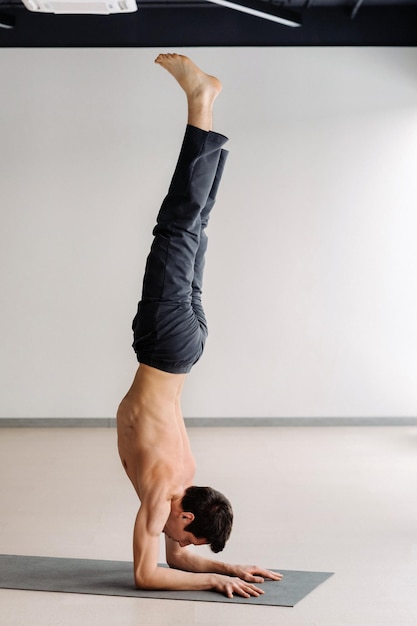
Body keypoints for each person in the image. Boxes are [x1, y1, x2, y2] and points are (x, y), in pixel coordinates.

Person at [117, 53, 282, 599]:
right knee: (178, 224)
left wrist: (230, 570)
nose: (182, 546)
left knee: (193, 228)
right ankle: (200, 101)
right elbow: (147, 574)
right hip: (165, 343)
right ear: (186, 518)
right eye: (190, 538)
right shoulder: (165, 488)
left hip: (187, 347)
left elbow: (171, 554)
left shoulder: (183, 484)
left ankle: (208, 118)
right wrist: (212, 577)